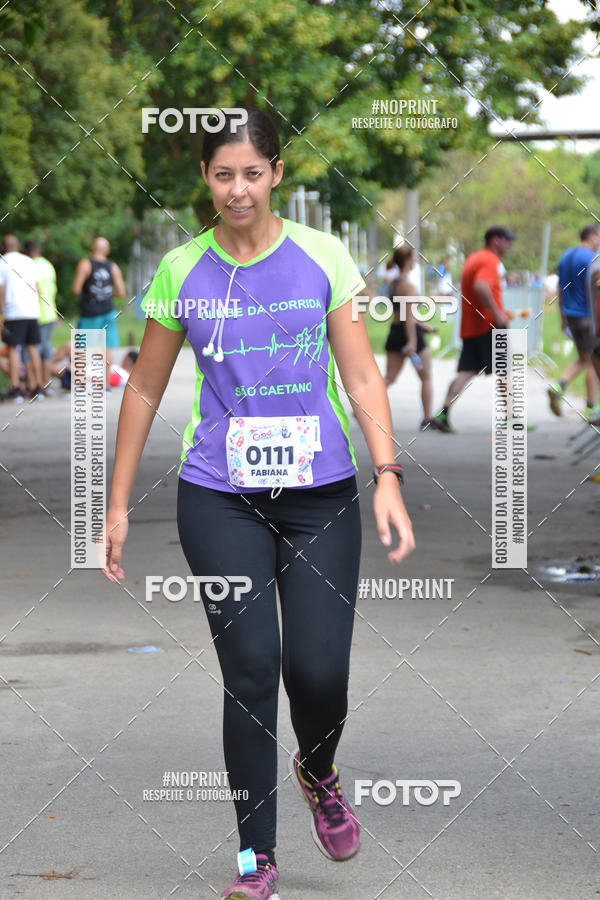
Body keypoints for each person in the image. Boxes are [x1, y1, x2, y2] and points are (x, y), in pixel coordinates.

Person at [102, 106, 415, 900]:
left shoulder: (322, 257)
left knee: (319, 671)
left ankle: (319, 769)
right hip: (220, 498)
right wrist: (116, 504)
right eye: (222, 175)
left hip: (320, 495)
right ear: (204, 179)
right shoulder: (182, 270)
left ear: (276, 172)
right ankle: (255, 860)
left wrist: (386, 474)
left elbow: (362, 374)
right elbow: (143, 388)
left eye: (251, 173)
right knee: (249, 672)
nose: (237, 189)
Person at [434, 225, 515, 433]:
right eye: (507, 240)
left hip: (472, 326)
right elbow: (481, 286)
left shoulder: (474, 258)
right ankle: (511, 418)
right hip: (489, 325)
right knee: (504, 370)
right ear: (495, 240)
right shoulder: (490, 260)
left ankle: (443, 412)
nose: (509, 245)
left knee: (466, 371)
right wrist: (497, 313)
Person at [547, 224, 600, 419]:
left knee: (585, 358)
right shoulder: (591, 259)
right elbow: (593, 288)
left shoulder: (565, 256)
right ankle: (591, 407)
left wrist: (563, 318)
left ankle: (558, 387)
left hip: (571, 315)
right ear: (592, 236)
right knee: (594, 360)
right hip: (588, 316)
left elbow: (561, 288)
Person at [383, 244, 436, 429]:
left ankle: (362, 408)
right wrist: (412, 341)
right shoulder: (409, 286)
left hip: (395, 332)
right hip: (410, 333)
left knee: (389, 377)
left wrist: (422, 325)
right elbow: (409, 316)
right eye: (413, 257)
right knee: (426, 377)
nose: (415, 260)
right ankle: (427, 419)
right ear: (407, 260)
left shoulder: (393, 283)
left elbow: (402, 313)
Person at [72, 236, 126, 385]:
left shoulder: (85, 264)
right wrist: (108, 294)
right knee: (106, 348)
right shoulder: (113, 267)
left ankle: (81, 383)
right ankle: (106, 384)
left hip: (90, 312)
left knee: (82, 348)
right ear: (107, 251)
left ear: (92, 248)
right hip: (109, 311)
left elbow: (76, 289)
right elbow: (121, 292)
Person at [0, 234, 44, 402]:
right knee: (32, 347)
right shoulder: (29, 261)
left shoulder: (2, 263)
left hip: (13, 312)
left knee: (13, 348)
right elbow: (37, 287)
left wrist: (1, 314)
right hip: (31, 311)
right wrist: (36, 308)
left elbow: (1, 291)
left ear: (3, 247)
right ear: (18, 246)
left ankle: (15, 387)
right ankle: (38, 386)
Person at [23, 240, 58, 394]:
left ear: (27, 251)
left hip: (38, 313)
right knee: (46, 349)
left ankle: (37, 384)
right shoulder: (48, 265)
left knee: (34, 349)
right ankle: (46, 383)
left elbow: (35, 290)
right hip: (50, 312)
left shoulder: (30, 265)